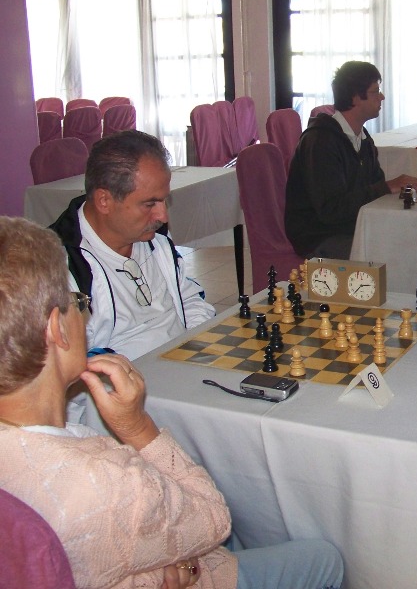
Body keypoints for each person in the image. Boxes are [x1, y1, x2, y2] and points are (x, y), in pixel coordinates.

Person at [0, 216, 344, 589]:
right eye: (76, 302)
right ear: (57, 329)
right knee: (326, 558)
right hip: (204, 568)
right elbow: (214, 519)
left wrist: (148, 568)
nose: (83, 312)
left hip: (156, 544)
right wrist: (137, 426)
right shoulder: (102, 484)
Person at [50, 130, 215, 361]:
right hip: (119, 380)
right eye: (150, 204)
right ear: (104, 201)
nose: (163, 216)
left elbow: (189, 298)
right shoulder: (58, 268)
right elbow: (66, 365)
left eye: (164, 200)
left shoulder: (155, 239)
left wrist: (193, 353)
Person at [285, 60, 417, 259]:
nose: (382, 97)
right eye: (376, 91)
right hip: (319, 235)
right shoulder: (321, 141)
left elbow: (374, 189)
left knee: (410, 239)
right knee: (392, 252)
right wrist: (386, 187)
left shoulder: (362, 139)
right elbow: (331, 210)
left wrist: (398, 190)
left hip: (350, 227)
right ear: (356, 98)